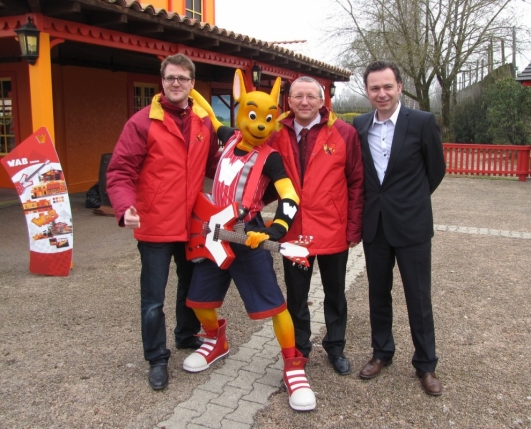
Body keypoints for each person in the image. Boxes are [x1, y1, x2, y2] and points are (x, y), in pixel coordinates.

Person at [183, 70, 316, 412]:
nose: (259, 124)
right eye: (253, 116)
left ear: (275, 121)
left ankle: (292, 365)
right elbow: (213, 121)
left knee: (275, 306)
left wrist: (275, 230)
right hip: (214, 234)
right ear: (241, 113)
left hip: (248, 234)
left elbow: (289, 195)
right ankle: (215, 339)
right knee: (198, 301)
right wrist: (194, 96)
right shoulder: (227, 138)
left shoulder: (270, 157)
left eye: (268, 119)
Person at [106, 53, 220, 391]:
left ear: (192, 83)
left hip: (191, 224)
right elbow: (120, 171)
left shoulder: (203, 122)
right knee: (153, 298)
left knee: (190, 288)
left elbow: (216, 165)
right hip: (155, 225)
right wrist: (125, 206)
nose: (176, 84)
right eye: (170, 77)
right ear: (162, 80)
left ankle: (186, 335)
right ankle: (157, 358)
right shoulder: (142, 122)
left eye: (182, 79)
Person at [353, 60, 446, 396]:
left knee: (418, 298)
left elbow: (435, 171)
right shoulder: (360, 125)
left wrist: (409, 202)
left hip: (412, 226)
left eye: (387, 87)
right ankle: (382, 353)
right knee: (378, 294)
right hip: (375, 225)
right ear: (367, 90)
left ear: (399, 87)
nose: (381, 93)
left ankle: (426, 364)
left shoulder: (422, 122)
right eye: (375, 88)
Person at [268, 76, 364, 375]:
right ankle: (300, 348)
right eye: (299, 96)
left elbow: (357, 182)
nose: (305, 102)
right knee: (296, 295)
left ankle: (335, 346)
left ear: (322, 101)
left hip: (332, 228)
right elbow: (262, 177)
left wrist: (353, 228)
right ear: (289, 101)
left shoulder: (344, 133)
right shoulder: (276, 134)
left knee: (335, 293)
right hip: (294, 230)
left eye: (311, 96)